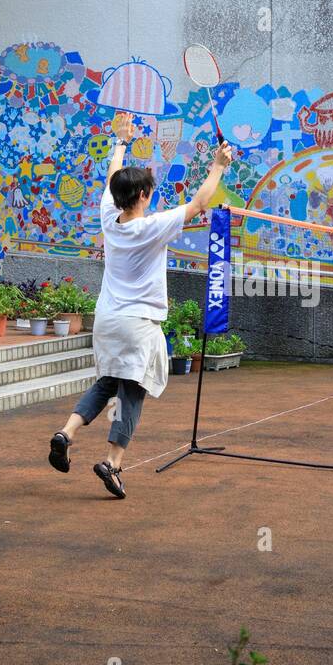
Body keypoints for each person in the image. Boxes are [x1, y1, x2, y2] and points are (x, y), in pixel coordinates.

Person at [48, 115, 234, 497]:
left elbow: (112, 177)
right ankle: (112, 463)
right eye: (149, 191)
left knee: (106, 383)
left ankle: (66, 432)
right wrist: (219, 165)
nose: (151, 196)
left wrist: (121, 141)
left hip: (107, 320)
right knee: (132, 391)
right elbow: (200, 203)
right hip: (139, 323)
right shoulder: (150, 227)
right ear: (142, 197)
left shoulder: (109, 218)